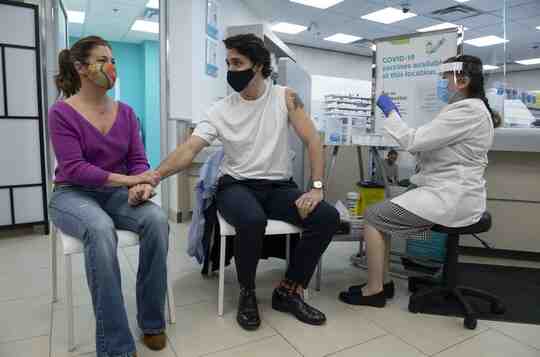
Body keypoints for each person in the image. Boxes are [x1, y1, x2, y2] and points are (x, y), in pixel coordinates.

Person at [156, 34, 340, 330]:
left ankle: (289, 291)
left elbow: (313, 140)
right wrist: (155, 175)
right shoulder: (219, 110)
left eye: (237, 62)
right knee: (252, 220)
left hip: (279, 187)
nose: (231, 69)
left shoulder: (284, 97)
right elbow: (189, 149)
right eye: (229, 62)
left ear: (258, 65)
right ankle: (248, 293)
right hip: (236, 186)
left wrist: (316, 188)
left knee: (326, 217)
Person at [339, 55, 500, 307]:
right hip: (447, 191)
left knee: (373, 216)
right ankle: (383, 283)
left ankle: (374, 290)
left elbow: (413, 141)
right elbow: (430, 146)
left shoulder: (468, 111)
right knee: (383, 215)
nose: (442, 83)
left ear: (462, 80)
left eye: (445, 78)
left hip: (451, 197)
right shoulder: (467, 109)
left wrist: (390, 112)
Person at [48, 36, 167, 357]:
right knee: (99, 230)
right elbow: (74, 169)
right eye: (102, 59)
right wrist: (129, 179)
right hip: (72, 194)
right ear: (80, 68)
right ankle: (115, 345)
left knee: (157, 219)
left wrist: (140, 185)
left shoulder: (126, 113)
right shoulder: (61, 113)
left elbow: (138, 161)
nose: (111, 66)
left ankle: (152, 322)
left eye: (113, 59)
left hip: (114, 193)